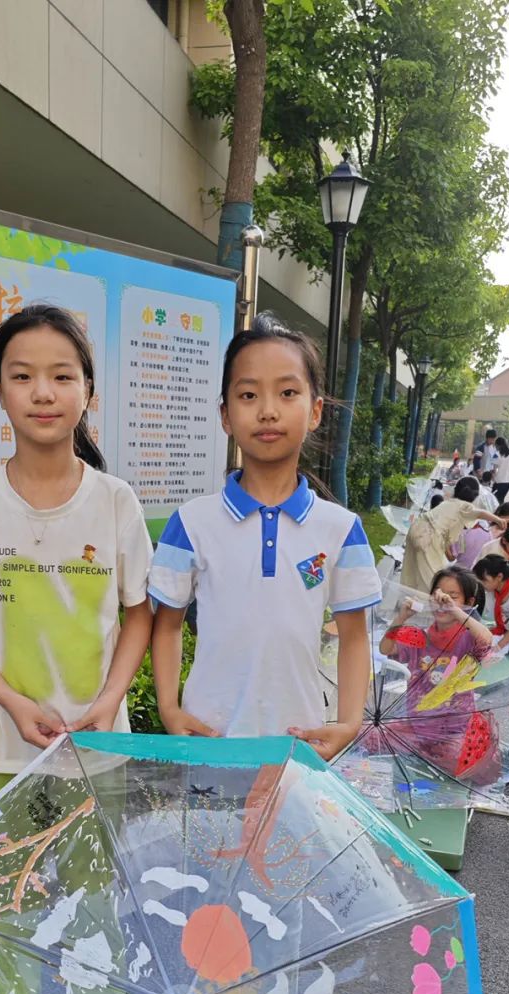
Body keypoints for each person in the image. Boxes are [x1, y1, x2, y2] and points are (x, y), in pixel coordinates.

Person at [0, 303, 154, 807]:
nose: (43, 393)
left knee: (93, 886)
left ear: (87, 390)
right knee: (12, 886)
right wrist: (11, 702)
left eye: (62, 375)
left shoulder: (116, 501)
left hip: (99, 744)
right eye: (23, 376)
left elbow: (140, 615)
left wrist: (110, 701)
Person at [148, 312, 379, 759]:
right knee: (210, 833)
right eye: (249, 394)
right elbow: (168, 624)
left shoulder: (341, 529)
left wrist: (348, 723)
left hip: (300, 742)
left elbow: (354, 637)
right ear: (225, 415)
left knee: (289, 832)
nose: (268, 409)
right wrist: (169, 708)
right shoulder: (190, 523)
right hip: (206, 738)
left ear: (314, 411)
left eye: (287, 392)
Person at [377, 566, 499, 786]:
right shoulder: (420, 637)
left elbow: (487, 640)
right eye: (438, 595)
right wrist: (401, 617)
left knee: (458, 759)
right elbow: (386, 648)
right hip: (417, 724)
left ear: (468, 602)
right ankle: (425, 751)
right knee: (372, 737)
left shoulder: (467, 638)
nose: (443, 602)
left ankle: (431, 753)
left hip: (455, 728)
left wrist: (457, 611)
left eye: (452, 597)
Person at [400, 475, 504, 593]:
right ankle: (432, 604)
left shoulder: (449, 502)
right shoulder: (465, 506)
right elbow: (480, 513)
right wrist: (498, 520)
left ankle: (408, 600)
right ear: (474, 496)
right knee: (435, 578)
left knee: (412, 571)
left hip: (416, 528)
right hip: (428, 537)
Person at [488, 436, 509, 507]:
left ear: (497, 445)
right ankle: (501, 515)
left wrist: (491, 478)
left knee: (494, 499)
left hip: (499, 480)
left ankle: (495, 515)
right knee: (501, 499)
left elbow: (493, 470)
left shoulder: (496, 455)